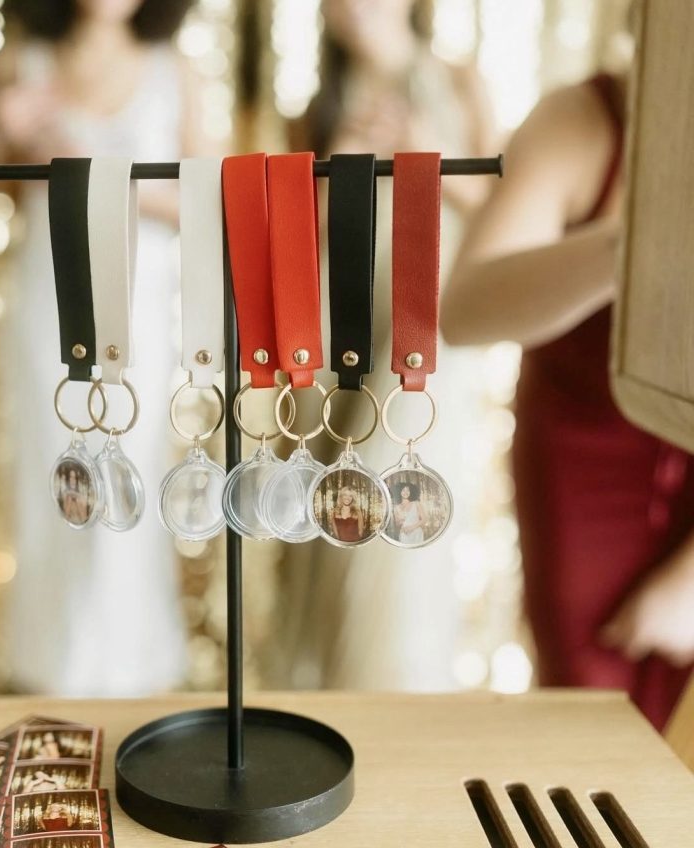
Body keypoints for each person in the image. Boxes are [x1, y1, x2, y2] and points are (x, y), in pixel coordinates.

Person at [441, 69, 694, 730]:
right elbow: (463, 310)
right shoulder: (582, 121)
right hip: (582, 471)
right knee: (591, 711)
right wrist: (635, 243)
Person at [0, 0, 209, 695]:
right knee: (54, 467)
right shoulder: (23, 59)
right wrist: (3, 132)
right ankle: (54, 664)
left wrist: (99, 174)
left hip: (142, 300)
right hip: (47, 294)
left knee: (129, 461)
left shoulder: (174, 69)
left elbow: (206, 198)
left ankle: (134, 665)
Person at [272, 0, 496, 690]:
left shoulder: (460, 81)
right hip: (338, 332)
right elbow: (293, 241)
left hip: (421, 334)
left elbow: (500, 210)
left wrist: (426, 152)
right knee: (325, 507)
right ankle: (328, 686)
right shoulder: (317, 106)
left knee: (392, 503)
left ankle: (396, 684)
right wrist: (335, 168)